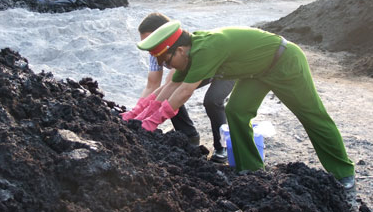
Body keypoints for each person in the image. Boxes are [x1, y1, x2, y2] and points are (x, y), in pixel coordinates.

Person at [134, 20, 356, 190]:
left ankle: (344, 172)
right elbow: (170, 86)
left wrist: (154, 122)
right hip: (257, 71)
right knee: (236, 110)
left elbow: (184, 91)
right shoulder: (190, 53)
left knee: (312, 115)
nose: (166, 66)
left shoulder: (205, 49)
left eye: (166, 60)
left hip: (284, 62)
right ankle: (250, 169)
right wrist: (140, 114)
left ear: (180, 50)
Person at [122, 13, 234, 161]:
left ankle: (222, 147)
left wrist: (151, 121)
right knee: (170, 95)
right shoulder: (156, 51)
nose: (149, 48)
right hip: (201, 69)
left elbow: (176, 87)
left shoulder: (179, 49)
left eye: (150, 40)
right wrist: (136, 115)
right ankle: (189, 136)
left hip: (226, 65)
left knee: (211, 100)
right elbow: (152, 85)